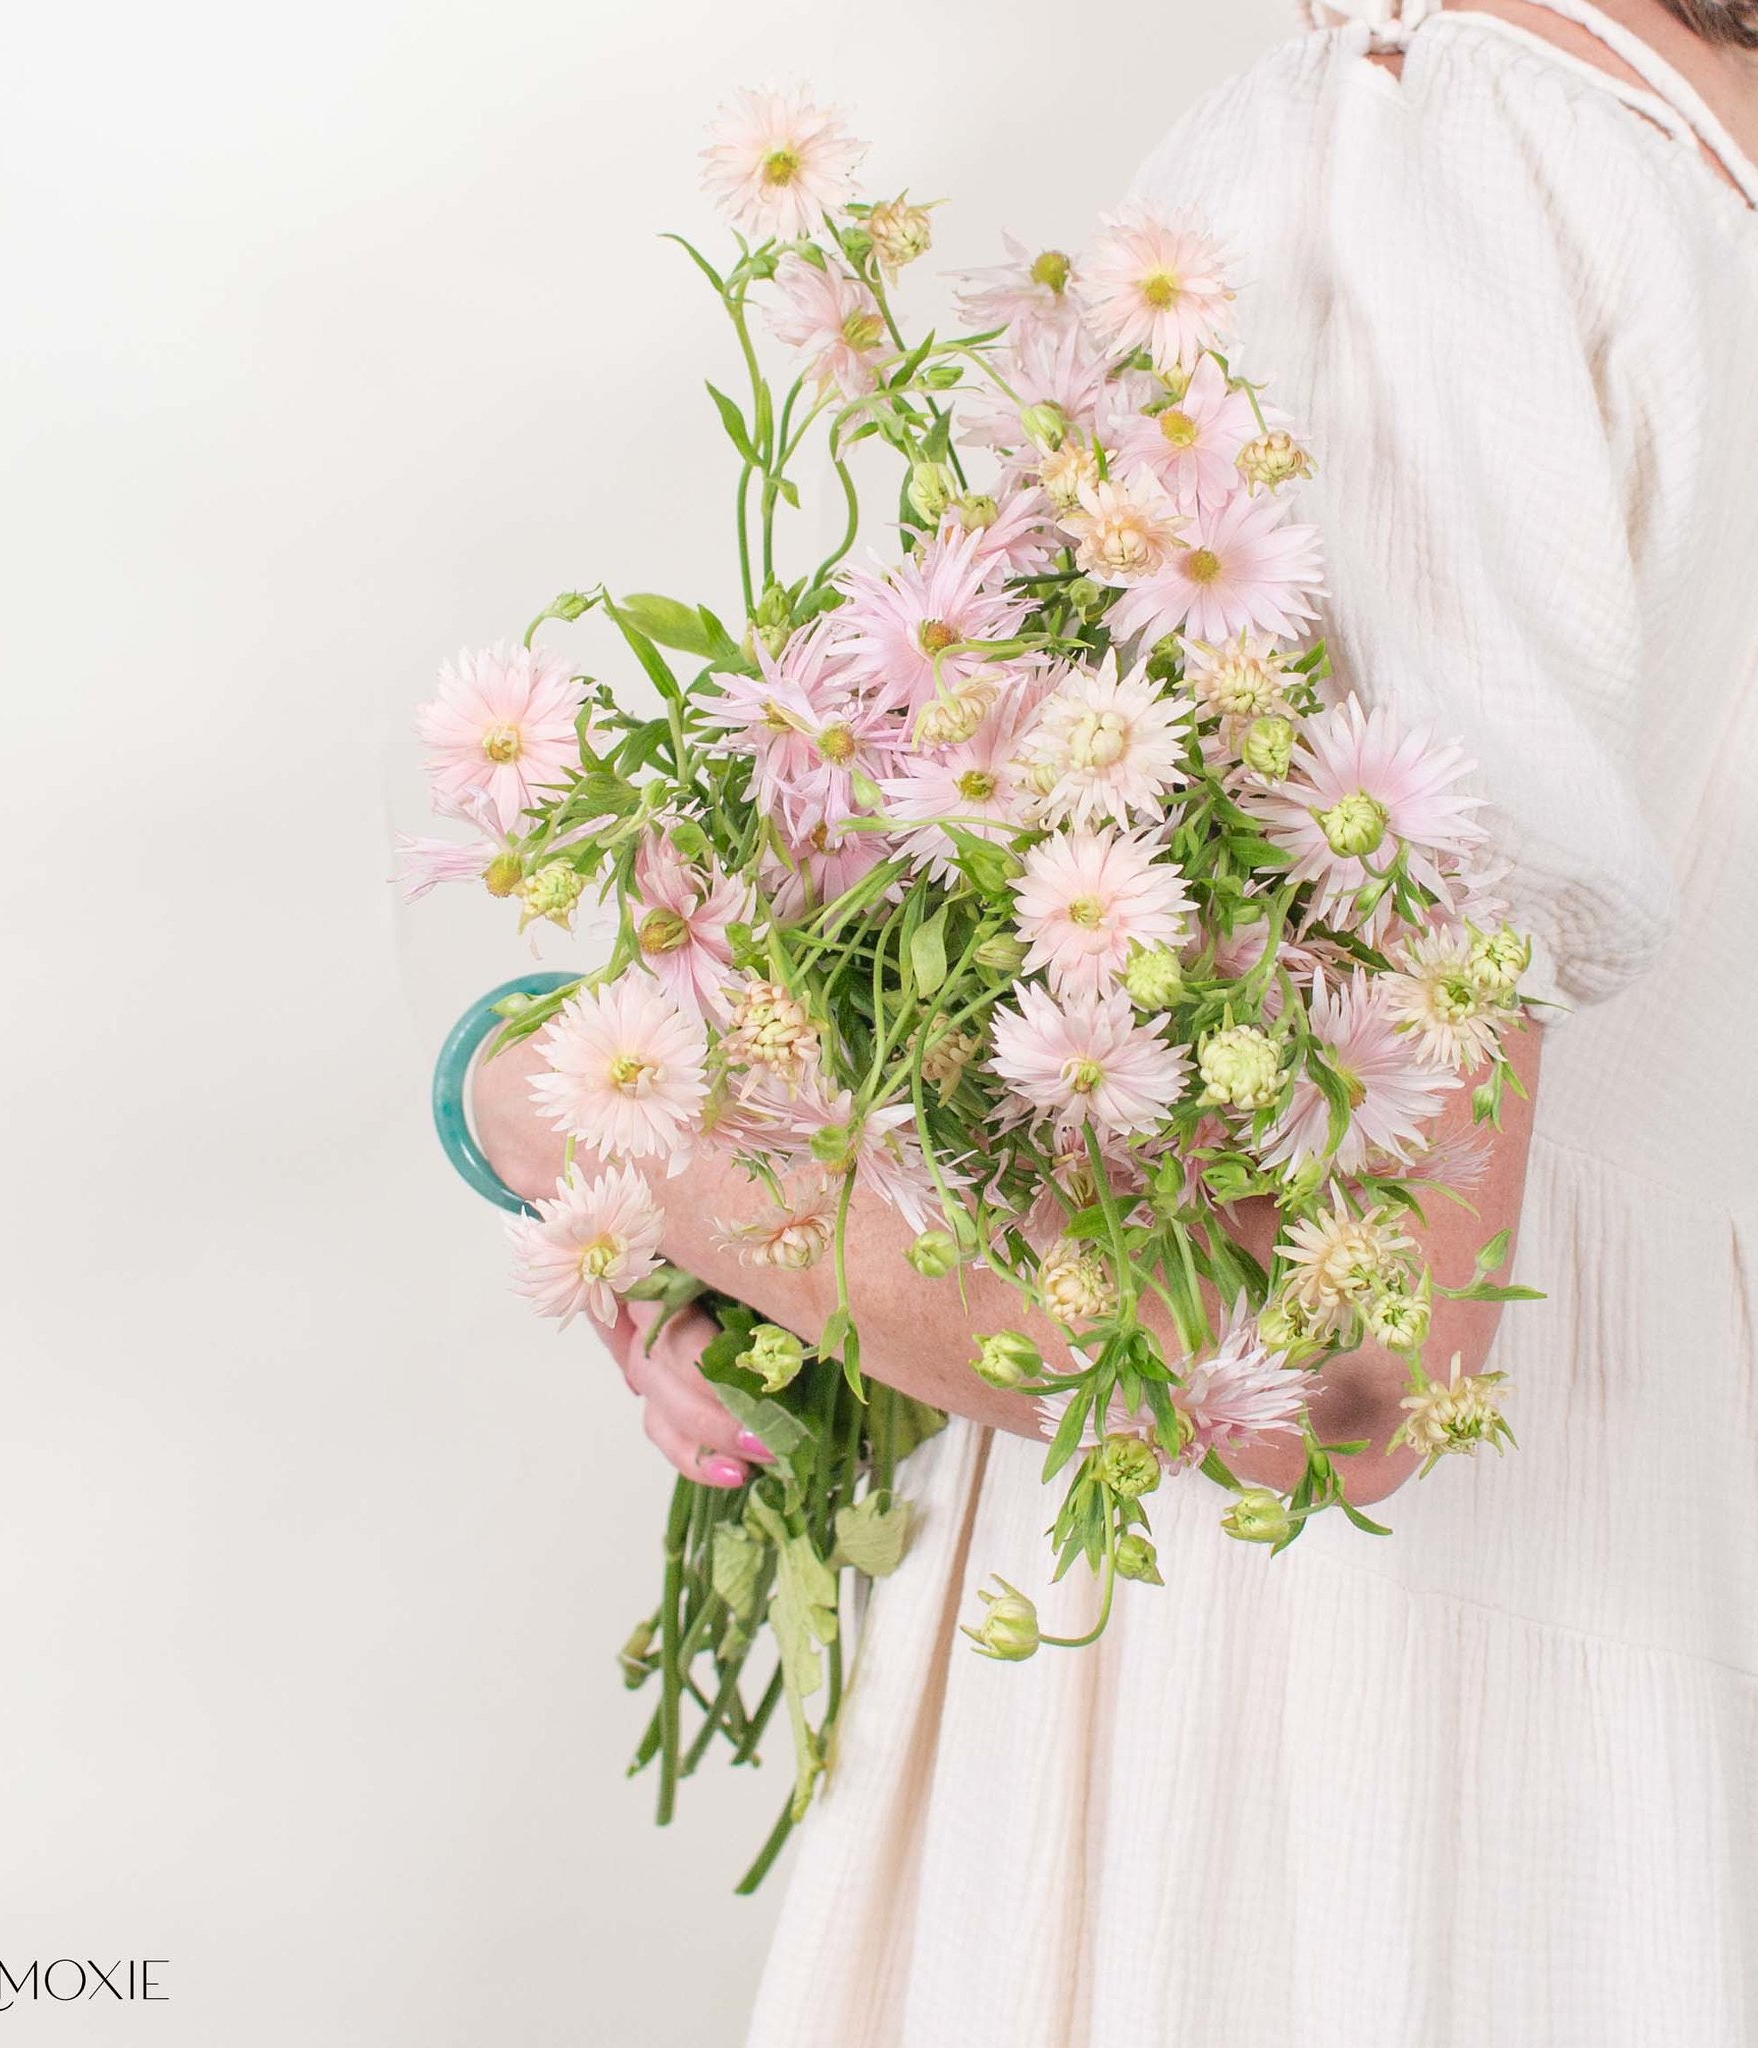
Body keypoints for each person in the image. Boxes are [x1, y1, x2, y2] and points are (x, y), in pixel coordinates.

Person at [474, 0, 1758, 2035]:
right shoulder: (1697, 187)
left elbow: (1342, 1367)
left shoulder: (1407, 165)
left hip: (1339, 1710)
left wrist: (572, 1113)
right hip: (1659, 1595)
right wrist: (847, 1206)